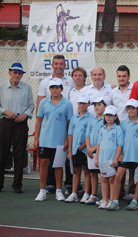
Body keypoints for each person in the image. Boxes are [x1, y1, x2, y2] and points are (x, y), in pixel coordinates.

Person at [36, 55, 74, 194]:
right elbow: (39, 113)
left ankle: (66, 186)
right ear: (52, 65)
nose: (58, 66)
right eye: (56, 63)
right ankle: (48, 186)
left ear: (65, 65)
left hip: (64, 125)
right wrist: (37, 137)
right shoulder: (44, 82)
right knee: (47, 161)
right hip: (48, 131)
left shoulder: (71, 81)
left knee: (62, 161)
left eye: (61, 64)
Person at [0, 63, 34, 193]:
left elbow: (31, 105)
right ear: (10, 73)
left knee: (19, 154)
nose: (17, 75)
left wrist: (25, 115)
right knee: (2, 153)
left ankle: (17, 184)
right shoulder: (2, 87)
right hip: (5, 122)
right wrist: (5, 112)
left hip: (20, 123)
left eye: (19, 73)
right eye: (15, 72)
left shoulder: (27, 87)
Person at [108, 99, 138, 211]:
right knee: (118, 176)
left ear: (137, 109)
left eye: (133, 108)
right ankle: (114, 201)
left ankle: (135, 201)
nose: (131, 110)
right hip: (125, 156)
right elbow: (119, 141)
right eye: (129, 108)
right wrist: (119, 154)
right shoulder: (123, 124)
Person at [111, 65, 136, 202]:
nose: (121, 78)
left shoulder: (135, 89)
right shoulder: (113, 92)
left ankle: (132, 192)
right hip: (118, 129)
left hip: (132, 128)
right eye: (119, 76)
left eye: (124, 76)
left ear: (129, 77)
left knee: (132, 160)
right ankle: (118, 192)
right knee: (119, 159)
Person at [65, 95, 93, 203]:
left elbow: (89, 135)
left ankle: (86, 193)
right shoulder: (74, 118)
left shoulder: (91, 118)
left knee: (87, 171)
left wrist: (83, 146)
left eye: (84, 103)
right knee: (76, 171)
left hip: (85, 150)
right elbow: (70, 134)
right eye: (80, 103)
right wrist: (71, 150)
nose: (82, 105)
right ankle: (74, 193)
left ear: (88, 104)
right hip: (75, 150)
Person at [95, 106, 123, 209]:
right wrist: (97, 158)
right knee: (104, 179)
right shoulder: (102, 129)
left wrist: (116, 158)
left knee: (112, 179)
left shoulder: (118, 129)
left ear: (115, 116)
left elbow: (120, 145)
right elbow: (99, 145)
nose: (108, 117)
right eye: (107, 115)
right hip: (102, 158)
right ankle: (104, 199)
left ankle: (112, 200)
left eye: (111, 115)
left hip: (111, 159)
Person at [85, 97, 107, 205]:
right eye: (95, 105)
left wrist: (95, 148)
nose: (96, 107)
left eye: (99, 105)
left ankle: (105, 197)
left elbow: (104, 138)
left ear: (105, 106)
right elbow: (87, 135)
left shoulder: (107, 120)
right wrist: (89, 147)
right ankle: (93, 195)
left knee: (103, 174)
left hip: (101, 152)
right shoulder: (92, 119)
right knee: (92, 173)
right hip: (91, 151)